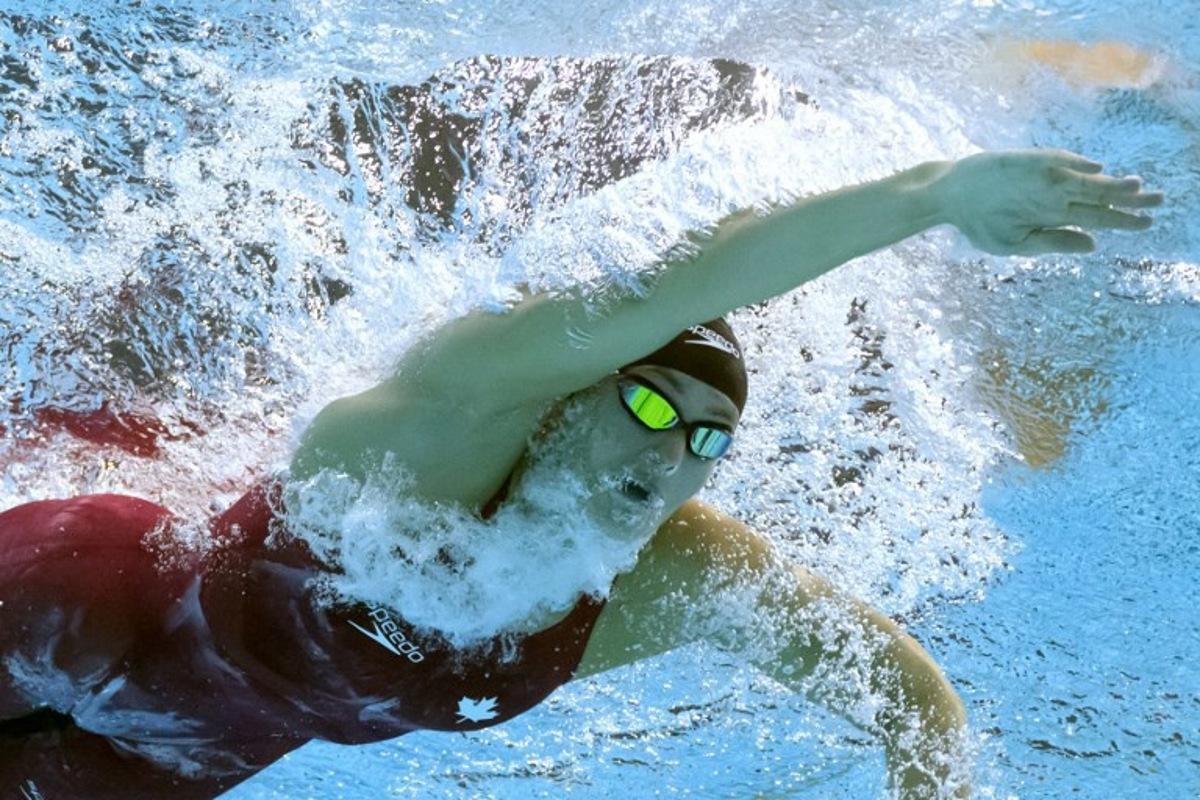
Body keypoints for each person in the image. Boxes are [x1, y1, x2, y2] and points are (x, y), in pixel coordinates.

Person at [0, 148, 1162, 800]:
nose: (672, 454)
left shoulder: (670, 574)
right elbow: (668, 291)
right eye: (653, 401)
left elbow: (906, 694)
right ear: (564, 398)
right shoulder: (435, 438)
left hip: (190, 747)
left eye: (709, 438)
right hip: (79, 597)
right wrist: (931, 199)